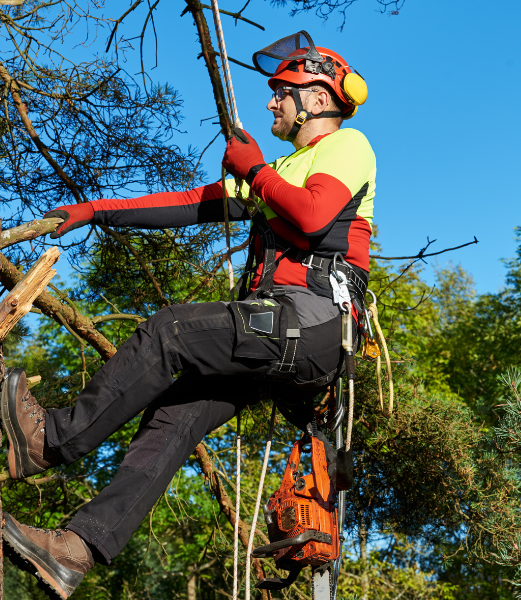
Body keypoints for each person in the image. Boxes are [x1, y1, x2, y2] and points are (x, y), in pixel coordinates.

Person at [1, 31, 375, 599]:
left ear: (318, 101)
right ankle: (76, 550)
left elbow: (314, 217)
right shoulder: (282, 167)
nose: (272, 102)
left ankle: (50, 441)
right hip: (280, 331)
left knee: (169, 330)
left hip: (313, 326)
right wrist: (97, 209)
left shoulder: (346, 148)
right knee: (173, 419)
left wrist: (254, 171)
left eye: (283, 92)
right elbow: (190, 204)